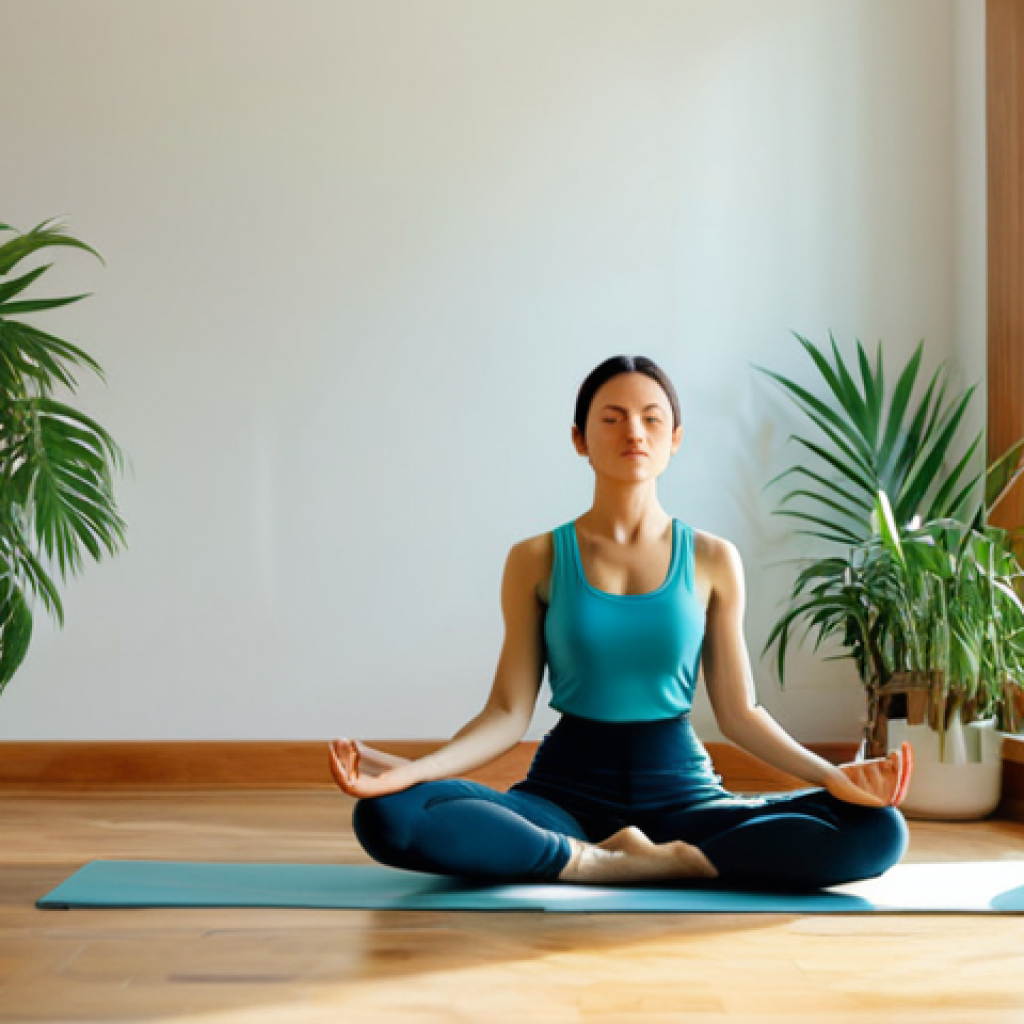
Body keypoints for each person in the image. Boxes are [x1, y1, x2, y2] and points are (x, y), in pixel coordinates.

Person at [328, 355, 912, 889]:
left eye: (651, 419)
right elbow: (507, 714)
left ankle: (664, 857)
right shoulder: (535, 558)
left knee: (879, 830)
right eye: (612, 418)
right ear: (580, 439)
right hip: (563, 795)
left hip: (684, 794)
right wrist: (413, 773)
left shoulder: (712, 558)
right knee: (387, 814)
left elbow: (739, 713)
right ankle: (593, 858)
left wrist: (835, 776)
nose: (633, 432)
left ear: (675, 439)